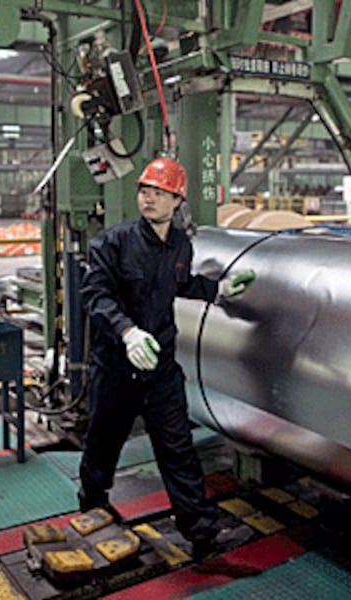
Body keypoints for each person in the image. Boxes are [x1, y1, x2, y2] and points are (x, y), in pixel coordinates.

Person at [78, 156, 255, 557]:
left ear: (177, 200)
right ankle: (92, 510)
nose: (149, 199)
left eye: (160, 193)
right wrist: (127, 332)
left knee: (177, 449)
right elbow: (94, 295)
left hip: (160, 370)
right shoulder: (112, 242)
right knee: (103, 443)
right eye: (145, 191)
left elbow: (182, 284)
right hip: (118, 368)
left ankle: (201, 534)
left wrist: (220, 290)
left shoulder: (180, 245)